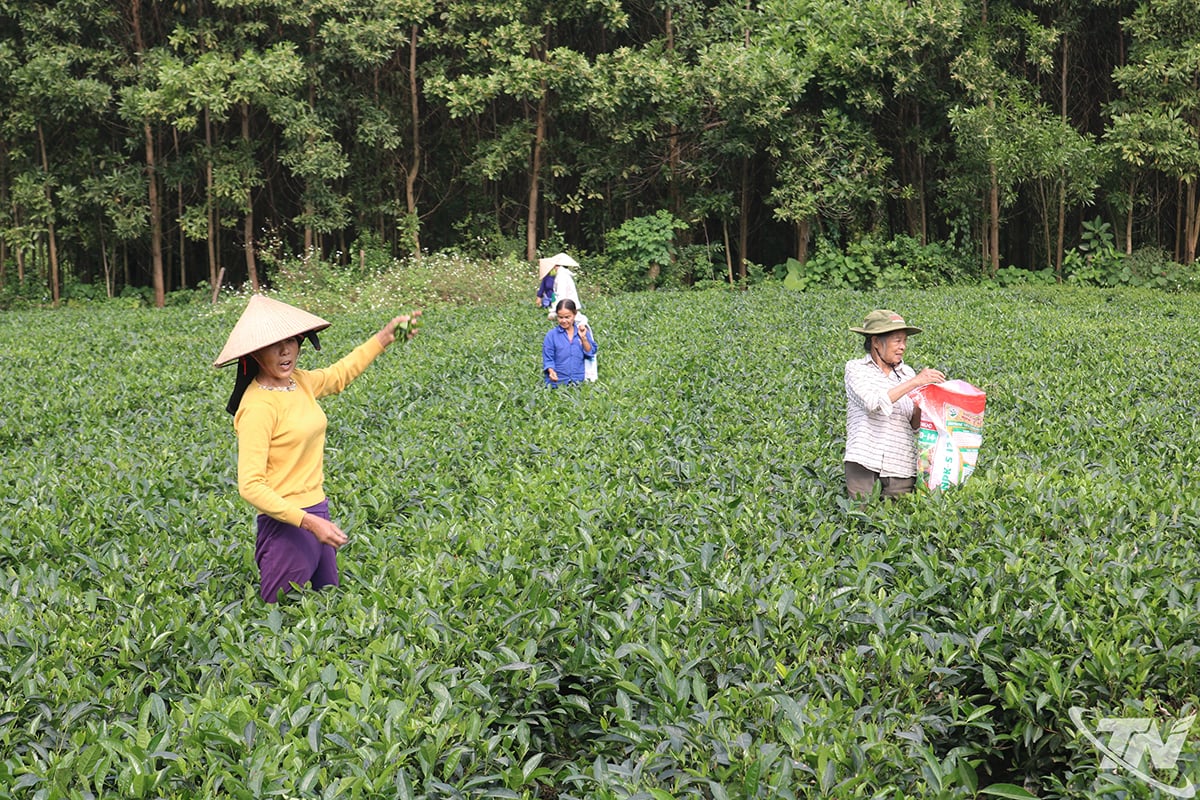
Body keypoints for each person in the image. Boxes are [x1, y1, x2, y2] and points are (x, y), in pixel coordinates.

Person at [214, 295, 417, 602]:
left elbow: (339, 375)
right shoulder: (258, 406)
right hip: (288, 524)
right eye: (273, 345)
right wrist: (308, 522)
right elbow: (251, 486)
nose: (285, 351)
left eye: (291, 341)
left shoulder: (299, 382)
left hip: (319, 511)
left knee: (328, 609)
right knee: (280, 619)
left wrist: (384, 337)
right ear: (254, 353)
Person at [844, 309, 945, 499]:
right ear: (875, 342)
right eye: (897, 341)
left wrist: (924, 398)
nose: (903, 347)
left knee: (896, 523)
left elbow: (914, 425)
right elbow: (872, 403)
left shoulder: (907, 373)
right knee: (862, 519)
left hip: (901, 465)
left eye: (905, 341)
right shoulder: (856, 369)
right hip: (864, 461)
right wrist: (915, 383)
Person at [543, 298, 595, 386]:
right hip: (558, 382)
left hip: (579, 382)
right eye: (560, 317)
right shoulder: (551, 335)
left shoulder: (582, 331)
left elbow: (590, 353)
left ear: (574, 315)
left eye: (567, 317)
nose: (563, 321)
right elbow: (548, 358)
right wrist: (551, 371)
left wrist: (584, 338)